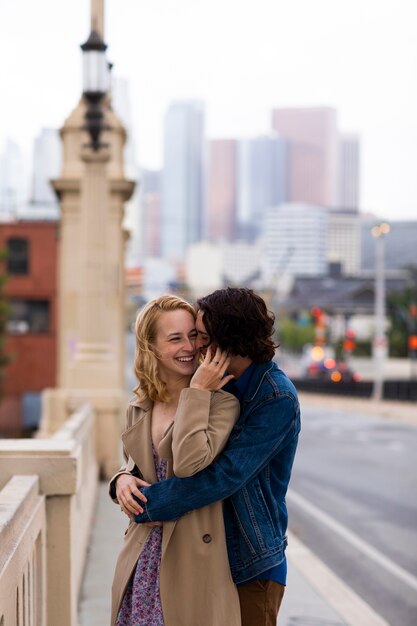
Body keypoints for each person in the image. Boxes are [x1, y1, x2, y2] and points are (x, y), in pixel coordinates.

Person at [130, 287, 301, 626]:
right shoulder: (219, 382)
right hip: (209, 556)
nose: (196, 347)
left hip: (252, 562)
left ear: (229, 340)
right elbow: (154, 452)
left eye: (202, 337)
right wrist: (122, 480)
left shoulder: (275, 397)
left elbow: (222, 476)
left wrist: (147, 503)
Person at [109, 294, 242, 626]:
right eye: (175, 338)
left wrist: (197, 392)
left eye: (193, 335)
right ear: (151, 347)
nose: (189, 346)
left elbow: (188, 463)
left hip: (192, 558)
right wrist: (121, 480)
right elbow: (136, 465)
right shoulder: (139, 406)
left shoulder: (221, 404)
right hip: (142, 556)